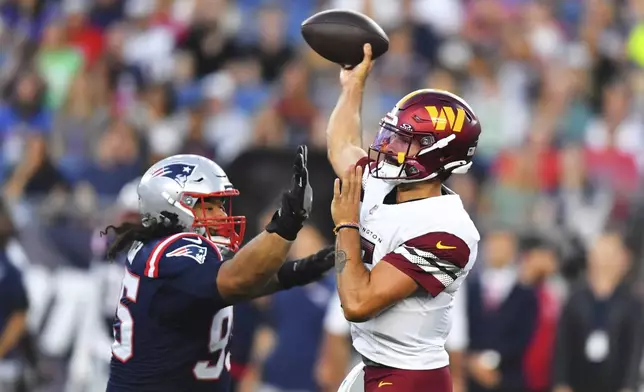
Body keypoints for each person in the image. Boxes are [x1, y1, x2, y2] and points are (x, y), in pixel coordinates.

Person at [106, 148, 335, 392]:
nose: (222, 215)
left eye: (221, 206)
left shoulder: (161, 254)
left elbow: (236, 285)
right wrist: (286, 224)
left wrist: (296, 271)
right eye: (210, 206)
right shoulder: (175, 250)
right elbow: (237, 281)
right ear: (174, 206)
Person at [326, 44, 482, 392]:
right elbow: (341, 144)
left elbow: (357, 302)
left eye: (403, 140)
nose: (387, 146)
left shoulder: (448, 232)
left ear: (437, 153)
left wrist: (346, 224)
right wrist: (353, 86)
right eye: (390, 135)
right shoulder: (386, 181)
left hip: (410, 377)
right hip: (372, 365)